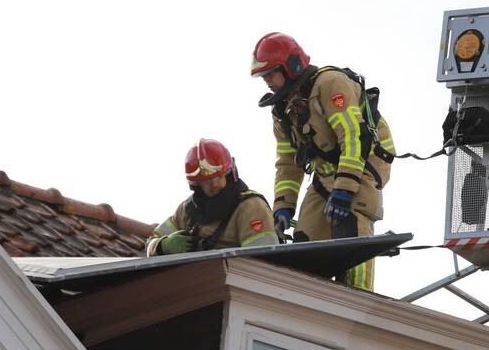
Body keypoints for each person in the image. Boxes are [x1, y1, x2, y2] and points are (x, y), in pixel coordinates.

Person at [252, 32, 394, 291]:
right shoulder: (282, 110)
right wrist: (283, 207)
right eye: (264, 76)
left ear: (291, 66)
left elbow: (352, 137)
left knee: (352, 232)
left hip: (364, 164)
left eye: (271, 73)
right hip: (325, 173)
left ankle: (360, 303)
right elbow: (287, 162)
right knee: (306, 241)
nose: (267, 82)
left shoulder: (330, 84)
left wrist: (345, 188)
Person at [146, 139, 278, 255]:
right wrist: (163, 246)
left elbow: (263, 262)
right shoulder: (186, 211)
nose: (214, 184)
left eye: (219, 176)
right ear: (196, 185)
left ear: (230, 174)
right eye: (207, 181)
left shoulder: (251, 207)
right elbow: (149, 244)